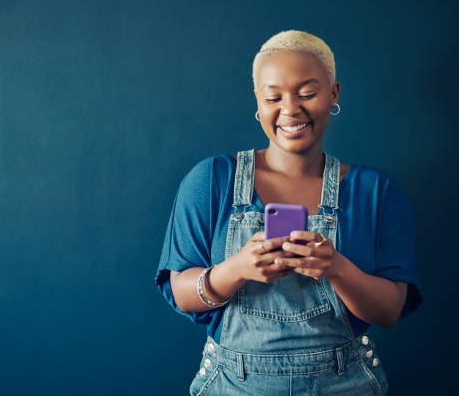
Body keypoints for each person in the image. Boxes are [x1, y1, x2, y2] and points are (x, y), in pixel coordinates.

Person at [154, 30, 423, 395]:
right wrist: (237, 269)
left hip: (346, 384)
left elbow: (389, 311)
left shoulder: (375, 191)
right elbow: (179, 291)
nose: (290, 109)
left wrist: (336, 268)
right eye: (273, 97)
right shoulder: (211, 180)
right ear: (258, 103)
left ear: (334, 95)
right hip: (233, 385)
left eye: (307, 93)